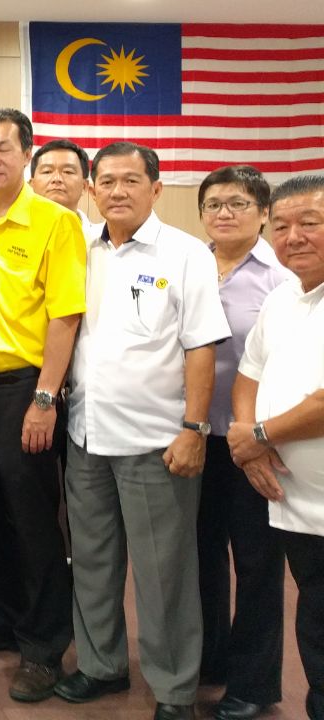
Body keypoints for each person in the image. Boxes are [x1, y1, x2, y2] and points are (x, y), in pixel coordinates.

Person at [55, 141, 230, 720]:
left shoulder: (185, 254)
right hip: (86, 436)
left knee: (163, 574)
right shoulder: (80, 247)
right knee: (92, 563)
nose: (117, 191)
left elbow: (200, 346)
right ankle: (101, 666)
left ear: (156, 189)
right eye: (105, 181)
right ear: (91, 190)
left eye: (130, 180)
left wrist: (194, 428)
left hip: (157, 441)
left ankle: (174, 688)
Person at [0, 108, 84, 702]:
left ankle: (43, 645)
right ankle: (0, 616)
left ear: (26, 154)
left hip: (25, 390)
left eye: (2, 147)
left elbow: (65, 316)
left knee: (33, 520)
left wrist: (45, 399)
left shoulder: (56, 222)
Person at [194, 165, 290, 720]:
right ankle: (210, 659)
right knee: (200, 555)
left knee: (256, 564)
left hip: (253, 443)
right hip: (195, 436)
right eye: (213, 204)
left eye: (237, 203)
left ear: (262, 213)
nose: (224, 213)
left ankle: (253, 684)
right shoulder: (190, 266)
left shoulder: (281, 278)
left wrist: (258, 436)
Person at [229, 173, 324, 720]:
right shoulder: (283, 297)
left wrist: (259, 436)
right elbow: (249, 374)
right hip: (295, 505)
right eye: (283, 226)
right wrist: (251, 445)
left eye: (309, 222)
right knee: (314, 625)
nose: (293, 237)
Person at [29, 137, 101, 242]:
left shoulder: (100, 241)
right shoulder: (13, 235)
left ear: (84, 186)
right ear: (32, 185)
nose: (56, 179)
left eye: (68, 171)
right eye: (47, 171)